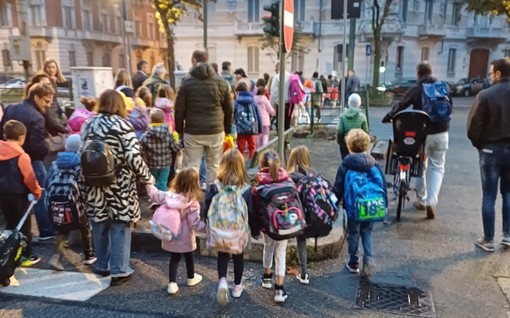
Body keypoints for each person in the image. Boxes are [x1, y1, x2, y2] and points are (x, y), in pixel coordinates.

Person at [79, 89, 154, 286]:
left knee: (99, 223)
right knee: (120, 225)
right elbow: (133, 156)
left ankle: (102, 265)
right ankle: (119, 270)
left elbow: (81, 152)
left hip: (93, 183)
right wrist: (147, 177)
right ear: (119, 105)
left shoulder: (88, 124)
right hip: (119, 183)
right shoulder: (122, 125)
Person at [382, 62, 452, 219]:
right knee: (437, 167)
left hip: (423, 135)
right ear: (431, 72)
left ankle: (421, 198)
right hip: (442, 132)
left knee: (421, 164)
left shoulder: (415, 89)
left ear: (418, 73)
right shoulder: (444, 87)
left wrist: (388, 117)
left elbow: (400, 105)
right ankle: (431, 201)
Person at [0, 83, 56, 241]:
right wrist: (45, 150)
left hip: (7, 160)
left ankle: (12, 238)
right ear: (36, 97)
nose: (48, 104)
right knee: (39, 197)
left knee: (13, 207)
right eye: (46, 100)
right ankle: (44, 231)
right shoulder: (36, 117)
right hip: (30, 160)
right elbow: (38, 147)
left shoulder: (10, 108)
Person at [203, 149, 258, 305]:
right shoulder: (246, 189)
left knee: (222, 256)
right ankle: (237, 286)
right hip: (238, 233)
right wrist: (254, 231)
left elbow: (207, 208)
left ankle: (222, 281)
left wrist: (205, 222)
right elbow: (251, 213)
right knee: (238, 257)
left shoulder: (215, 187)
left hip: (220, 231)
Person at [467, 57, 510, 252]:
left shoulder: (485, 95)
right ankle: (508, 235)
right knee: (508, 194)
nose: (490, 76)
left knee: (489, 196)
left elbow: (473, 126)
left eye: (492, 73)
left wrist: (479, 144)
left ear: (498, 73)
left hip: (490, 151)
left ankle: (489, 238)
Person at [333, 129, 387, 277]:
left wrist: (333, 204)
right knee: (367, 232)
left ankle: (354, 262)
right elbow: (382, 184)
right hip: (372, 205)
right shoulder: (374, 164)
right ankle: (368, 258)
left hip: (354, 207)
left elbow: (338, 187)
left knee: (353, 233)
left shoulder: (346, 164)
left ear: (349, 146)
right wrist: (385, 204)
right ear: (367, 145)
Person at [174, 49, 233, 186]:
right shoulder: (221, 82)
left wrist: (179, 131)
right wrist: (227, 130)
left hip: (193, 131)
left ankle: (192, 199)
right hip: (215, 130)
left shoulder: (186, 82)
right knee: (214, 165)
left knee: (192, 167)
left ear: (193, 60)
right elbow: (229, 109)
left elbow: (179, 109)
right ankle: (212, 198)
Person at [146, 168, 205, 295]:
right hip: (186, 237)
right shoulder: (193, 203)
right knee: (189, 256)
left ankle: (172, 283)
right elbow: (194, 223)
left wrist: (148, 183)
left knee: (174, 258)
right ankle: (191, 277)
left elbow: (155, 194)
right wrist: (206, 227)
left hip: (171, 235)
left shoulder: (169, 195)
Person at [46, 134, 96, 270]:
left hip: (56, 200)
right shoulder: (80, 162)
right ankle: (89, 256)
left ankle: (56, 256)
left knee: (63, 229)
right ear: (80, 147)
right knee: (84, 225)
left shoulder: (56, 162)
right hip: (75, 201)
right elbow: (83, 184)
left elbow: (47, 180)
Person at [0, 120, 43, 267]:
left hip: (2, 195)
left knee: (9, 224)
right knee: (24, 226)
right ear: (22, 137)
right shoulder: (22, 156)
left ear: (5, 135)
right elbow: (29, 178)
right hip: (18, 196)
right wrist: (37, 192)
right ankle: (25, 256)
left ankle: (10, 253)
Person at [253, 149, 291, 303]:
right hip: (284, 223)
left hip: (268, 225)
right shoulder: (287, 180)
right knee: (281, 252)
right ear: (279, 163)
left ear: (261, 165)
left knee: (268, 247)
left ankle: (266, 276)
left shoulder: (259, 184)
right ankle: (280, 289)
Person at [286, 146, 314, 284]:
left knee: (299, 241)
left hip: (297, 216)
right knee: (302, 241)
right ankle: (305, 273)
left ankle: (304, 272)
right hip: (312, 215)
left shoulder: (291, 177)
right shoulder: (313, 174)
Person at [140, 108, 182, 192]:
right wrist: (179, 142)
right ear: (163, 120)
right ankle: (162, 199)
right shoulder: (169, 135)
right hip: (165, 164)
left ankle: (154, 198)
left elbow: (140, 150)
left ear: (150, 120)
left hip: (152, 164)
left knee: (153, 182)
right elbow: (175, 148)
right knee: (162, 182)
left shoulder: (145, 135)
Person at [234, 82, 262, 160]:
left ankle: (241, 166)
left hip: (240, 129)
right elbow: (259, 115)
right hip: (252, 128)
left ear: (238, 92)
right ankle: (252, 165)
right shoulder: (253, 102)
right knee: (252, 147)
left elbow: (232, 115)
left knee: (240, 149)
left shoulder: (236, 103)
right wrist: (260, 129)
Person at [337, 94, 369, 159]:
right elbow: (366, 131)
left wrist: (340, 141)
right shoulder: (362, 117)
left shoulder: (342, 116)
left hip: (345, 143)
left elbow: (339, 131)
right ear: (359, 103)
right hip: (359, 144)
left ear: (349, 103)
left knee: (345, 161)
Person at [42, 59, 67, 125]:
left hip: (54, 112)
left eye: (53, 67)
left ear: (57, 69)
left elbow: (54, 100)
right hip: (47, 113)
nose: (51, 70)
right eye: (49, 67)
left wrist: (61, 112)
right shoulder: (44, 81)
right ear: (45, 69)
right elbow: (47, 100)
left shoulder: (54, 81)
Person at [270, 62, 291, 131]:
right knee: (287, 123)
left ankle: (281, 140)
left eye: (275, 67)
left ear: (278, 67)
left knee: (280, 124)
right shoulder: (290, 76)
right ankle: (287, 140)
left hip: (280, 103)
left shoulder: (276, 77)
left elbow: (274, 93)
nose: (274, 69)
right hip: (290, 103)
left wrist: (272, 105)